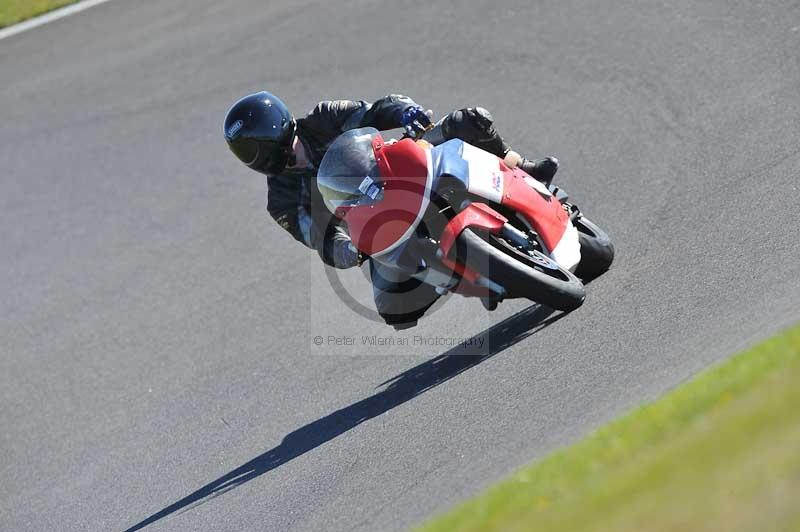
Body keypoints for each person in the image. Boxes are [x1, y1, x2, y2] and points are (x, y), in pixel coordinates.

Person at [223, 91, 559, 328]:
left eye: (255, 145)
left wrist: (404, 111)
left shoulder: (324, 117)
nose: (254, 156)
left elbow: (374, 111)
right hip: (379, 230)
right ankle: (463, 277)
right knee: (395, 308)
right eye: (245, 152)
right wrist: (348, 249)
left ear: (274, 127)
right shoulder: (280, 200)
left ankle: (524, 170)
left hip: (403, 176)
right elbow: (318, 236)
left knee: (469, 120)